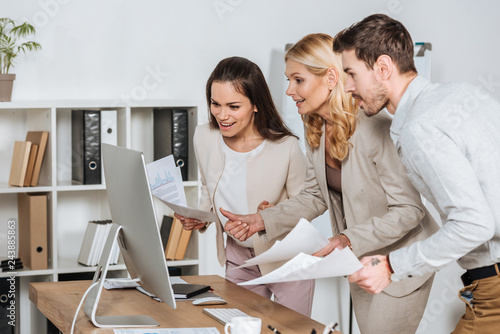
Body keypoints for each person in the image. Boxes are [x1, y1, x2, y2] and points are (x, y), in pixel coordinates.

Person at [221, 33, 438, 333]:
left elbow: (409, 210)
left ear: (331, 77)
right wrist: (261, 220)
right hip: (360, 260)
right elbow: (315, 196)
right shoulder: (318, 130)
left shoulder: (375, 127)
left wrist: (347, 238)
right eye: (288, 80)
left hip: (400, 260)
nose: (289, 90)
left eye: (298, 80)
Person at [333, 14, 500, 333]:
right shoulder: (462, 95)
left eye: (352, 74)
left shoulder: (420, 127)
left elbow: (475, 223)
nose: (349, 87)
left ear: (383, 68)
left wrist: (392, 265)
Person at [173, 56, 314, 316]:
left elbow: (306, 203)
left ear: (256, 105)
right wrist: (201, 218)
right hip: (239, 256)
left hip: (287, 259)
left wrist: (271, 214)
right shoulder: (204, 137)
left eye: (233, 106)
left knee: (292, 332)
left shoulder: (286, 148)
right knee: (239, 325)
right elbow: (208, 188)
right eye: (215, 104)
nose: (222, 115)